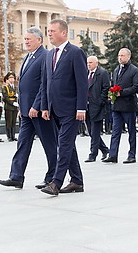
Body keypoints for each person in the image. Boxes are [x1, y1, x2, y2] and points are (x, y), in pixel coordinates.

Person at [0, 27, 58, 190]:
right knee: (22, 143)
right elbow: (24, 85)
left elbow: (44, 85)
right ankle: (16, 176)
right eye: (25, 39)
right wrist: (22, 106)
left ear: (39, 40)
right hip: (26, 111)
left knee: (49, 144)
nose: (26, 42)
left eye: (29, 39)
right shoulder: (28, 57)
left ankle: (52, 177)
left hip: (38, 111)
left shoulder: (45, 56)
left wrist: (36, 106)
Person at [40, 19, 88, 195]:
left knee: (64, 145)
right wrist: (45, 106)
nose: (49, 34)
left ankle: (56, 182)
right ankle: (77, 180)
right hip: (54, 108)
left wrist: (81, 108)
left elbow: (82, 83)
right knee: (68, 145)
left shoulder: (75, 52)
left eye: (53, 31)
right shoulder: (49, 54)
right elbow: (46, 82)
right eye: (48, 31)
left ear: (64, 33)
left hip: (71, 109)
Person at [103, 48, 138, 164]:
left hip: (129, 105)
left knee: (131, 131)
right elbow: (114, 84)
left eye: (123, 55)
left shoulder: (134, 70)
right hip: (117, 106)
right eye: (119, 55)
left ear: (128, 57)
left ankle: (132, 155)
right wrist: (112, 94)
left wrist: (122, 92)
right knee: (115, 131)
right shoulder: (116, 70)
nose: (120, 57)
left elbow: (137, 86)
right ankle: (113, 155)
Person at [84, 55, 110, 162]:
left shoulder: (102, 73)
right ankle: (105, 150)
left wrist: (100, 102)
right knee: (91, 131)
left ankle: (92, 154)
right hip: (87, 106)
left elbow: (106, 88)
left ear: (96, 63)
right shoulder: (86, 74)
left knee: (95, 131)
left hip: (97, 107)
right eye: (88, 63)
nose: (88, 64)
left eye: (90, 62)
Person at [2, 71, 19, 142]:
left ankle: (13, 135)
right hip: (8, 106)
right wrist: (12, 103)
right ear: (7, 79)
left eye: (13, 78)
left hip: (15, 107)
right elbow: (5, 98)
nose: (12, 79)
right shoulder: (5, 88)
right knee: (9, 121)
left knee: (13, 121)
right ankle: (9, 136)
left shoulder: (15, 87)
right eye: (10, 78)